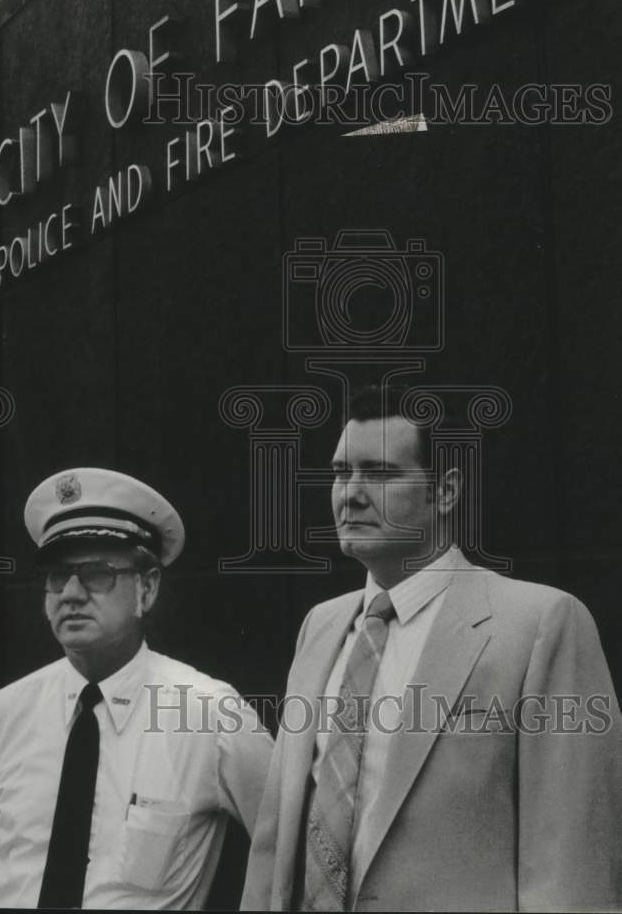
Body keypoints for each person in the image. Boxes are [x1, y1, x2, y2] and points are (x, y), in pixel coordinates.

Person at [242, 384, 621, 911]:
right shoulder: (320, 627)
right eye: (339, 472)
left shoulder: (540, 624)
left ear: (444, 491)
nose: (349, 493)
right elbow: (273, 846)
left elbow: (572, 867)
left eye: (378, 472)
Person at [0, 467, 273, 909]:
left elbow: (290, 846)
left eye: (96, 574)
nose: (70, 593)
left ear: (146, 589)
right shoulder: (7, 710)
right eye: (56, 575)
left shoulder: (209, 712)